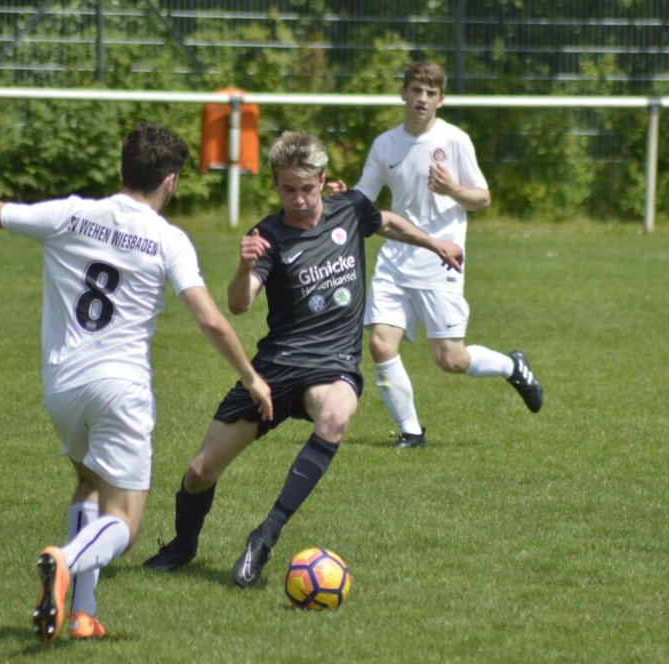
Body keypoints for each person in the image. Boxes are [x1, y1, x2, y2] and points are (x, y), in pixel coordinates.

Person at [0, 123, 273, 644]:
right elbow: (210, 319)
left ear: (123, 169)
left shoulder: (70, 213)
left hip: (62, 388)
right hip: (120, 389)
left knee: (89, 482)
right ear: (170, 181)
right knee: (125, 521)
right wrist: (251, 377)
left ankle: (82, 614)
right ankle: (65, 559)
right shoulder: (168, 239)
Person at [142, 131, 463, 586]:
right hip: (275, 368)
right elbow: (239, 304)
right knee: (199, 473)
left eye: (307, 189)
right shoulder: (266, 236)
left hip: (332, 364)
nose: (298, 199)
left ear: (323, 181)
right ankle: (183, 545)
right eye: (288, 189)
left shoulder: (350, 208)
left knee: (335, 415)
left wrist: (435, 243)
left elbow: (386, 221)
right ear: (275, 184)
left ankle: (264, 537)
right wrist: (245, 265)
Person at [331, 60, 543, 449]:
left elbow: (483, 198)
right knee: (380, 344)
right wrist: (342, 197)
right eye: (416, 90)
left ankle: (511, 365)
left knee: (449, 359)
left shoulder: (455, 140)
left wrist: (451, 190)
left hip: (442, 259)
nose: (422, 99)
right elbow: (365, 196)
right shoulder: (386, 144)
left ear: (441, 100)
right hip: (396, 257)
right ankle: (411, 433)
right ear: (403, 94)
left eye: (431, 93)